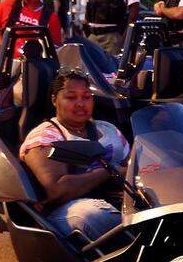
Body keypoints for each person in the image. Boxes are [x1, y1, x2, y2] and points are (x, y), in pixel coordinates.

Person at [20, 69, 130, 242]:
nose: (80, 103)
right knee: (96, 215)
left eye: (86, 97)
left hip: (116, 197)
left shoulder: (107, 128)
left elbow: (131, 165)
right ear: (54, 100)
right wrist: (111, 170)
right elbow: (57, 189)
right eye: (71, 97)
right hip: (67, 209)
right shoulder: (44, 137)